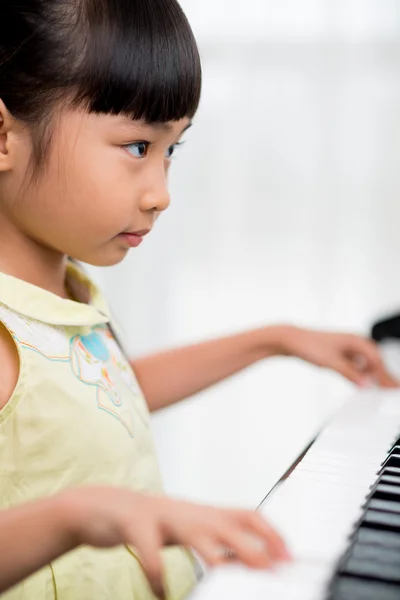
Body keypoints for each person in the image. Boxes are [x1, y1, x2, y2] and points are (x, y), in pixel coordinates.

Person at [0, 1, 396, 598]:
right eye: (137, 146)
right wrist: (76, 516)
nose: (161, 194)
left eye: (171, 150)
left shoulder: (67, 293)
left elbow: (109, 397)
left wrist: (272, 340)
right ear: (4, 138)